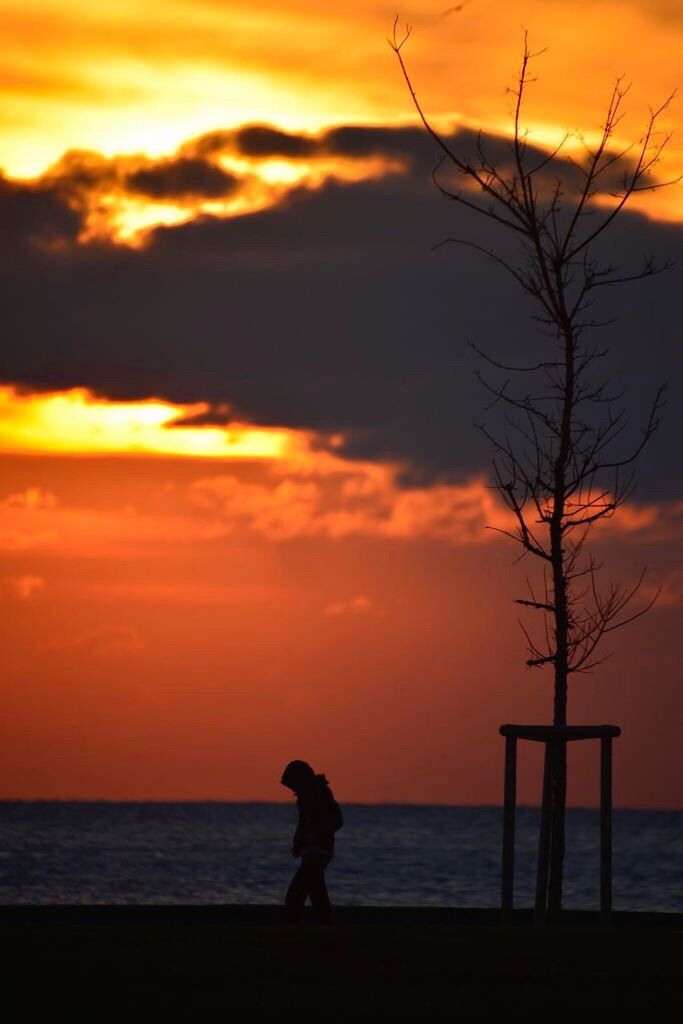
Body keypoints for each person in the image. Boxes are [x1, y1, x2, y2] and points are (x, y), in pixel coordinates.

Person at [280, 760, 343, 924]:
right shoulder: (307, 795)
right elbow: (304, 824)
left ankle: (298, 933)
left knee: (295, 896)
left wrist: (314, 835)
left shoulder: (318, 793)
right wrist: (299, 843)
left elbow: (336, 820)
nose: (293, 790)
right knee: (317, 896)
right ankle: (326, 931)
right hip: (311, 851)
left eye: (293, 785)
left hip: (318, 851)